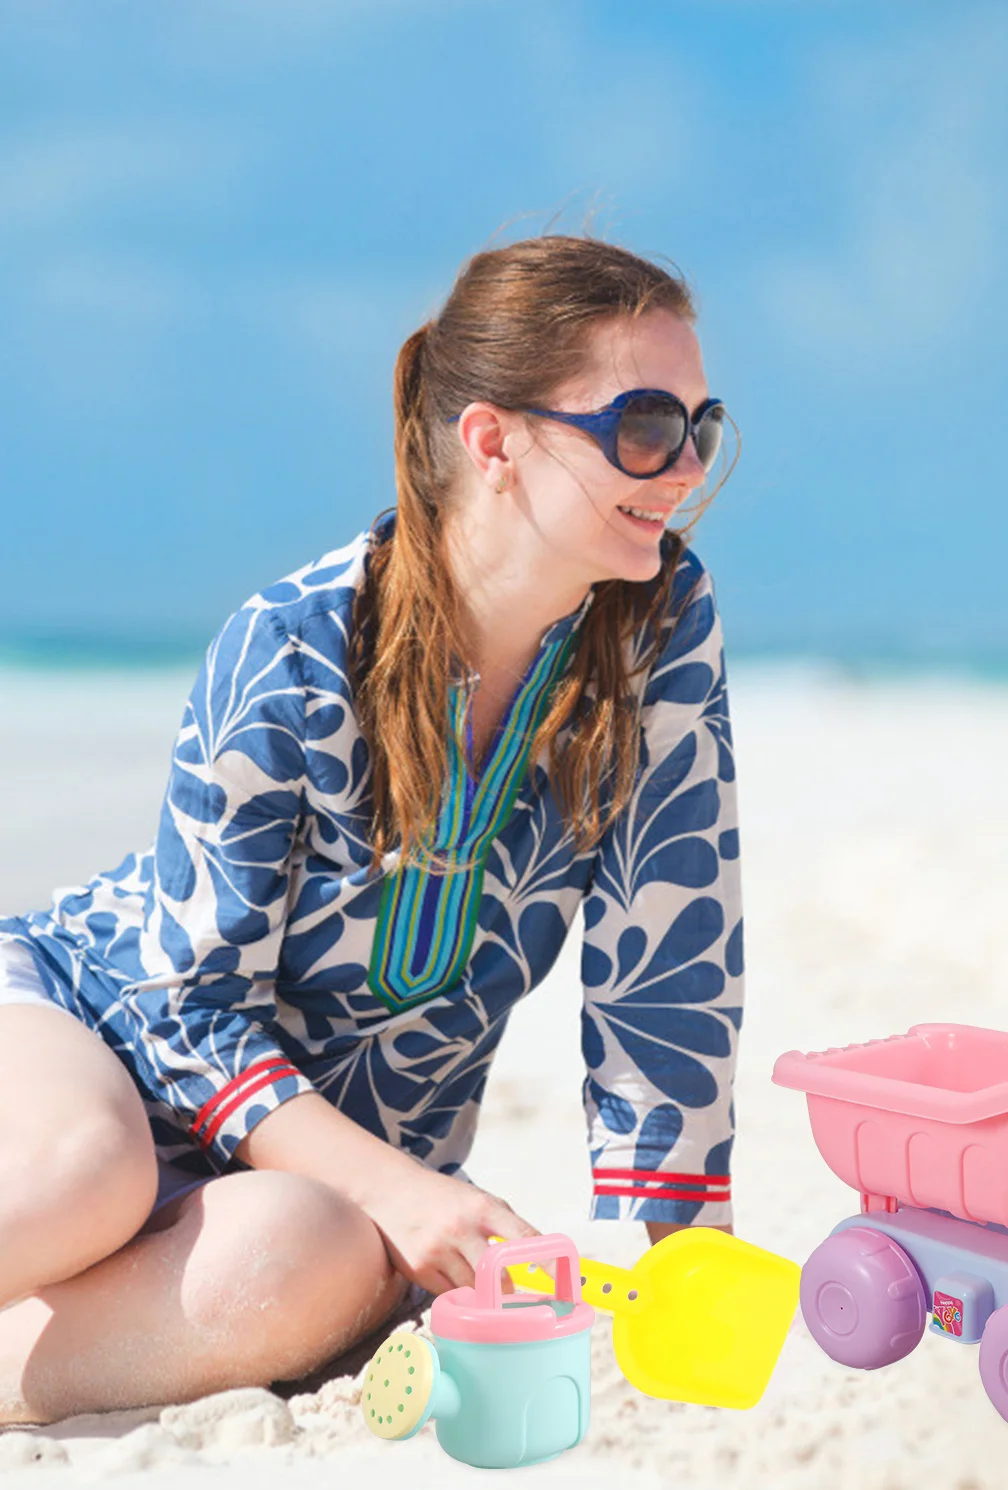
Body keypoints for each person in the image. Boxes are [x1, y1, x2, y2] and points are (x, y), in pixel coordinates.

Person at [0, 236, 743, 1423]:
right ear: (494, 440)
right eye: (647, 425)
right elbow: (186, 1013)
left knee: (306, 1261)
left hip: (312, 1177)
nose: (684, 471)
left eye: (700, 430)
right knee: (87, 1178)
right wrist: (406, 1190)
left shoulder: (659, 628)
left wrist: (670, 1266)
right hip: (90, 1027)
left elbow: (669, 974)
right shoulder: (290, 645)